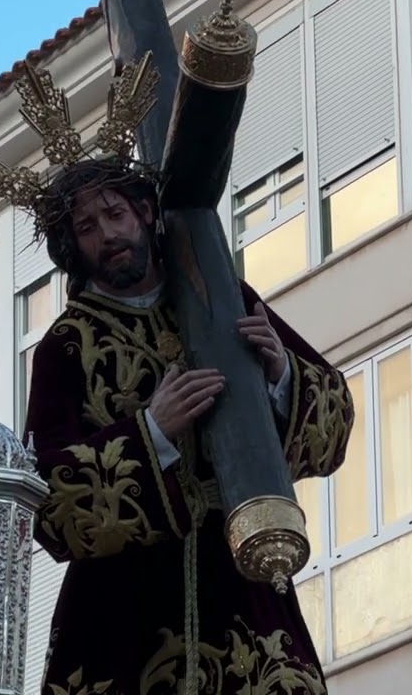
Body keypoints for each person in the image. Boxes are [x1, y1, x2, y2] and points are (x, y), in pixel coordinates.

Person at [21, 155, 355, 695]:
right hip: (124, 613)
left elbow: (335, 425)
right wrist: (150, 432)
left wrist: (282, 373)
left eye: (115, 214)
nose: (108, 235)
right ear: (72, 249)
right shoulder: (65, 346)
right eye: (87, 228)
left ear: (147, 213)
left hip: (242, 590)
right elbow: (48, 502)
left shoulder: (224, 297)